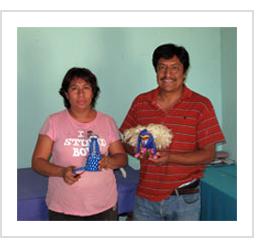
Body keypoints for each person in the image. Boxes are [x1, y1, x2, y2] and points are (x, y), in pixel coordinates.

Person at [120, 43, 225, 221]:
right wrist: (139, 150)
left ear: (184, 72)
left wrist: (170, 157)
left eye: (174, 68)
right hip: (145, 199)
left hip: (185, 199)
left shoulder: (201, 105)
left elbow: (209, 154)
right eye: (162, 68)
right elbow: (123, 140)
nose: (167, 74)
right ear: (156, 71)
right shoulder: (141, 102)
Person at [32, 67, 127, 221]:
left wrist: (109, 161)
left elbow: (122, 158)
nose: (81, 94)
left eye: (86, 88)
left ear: (94, 92)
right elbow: (37, 162)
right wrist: (62, 172)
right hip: (63, 206)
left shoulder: (107, 121)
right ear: (66, 93)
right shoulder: (53, 122)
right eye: (74, 88)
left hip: (104, 205)